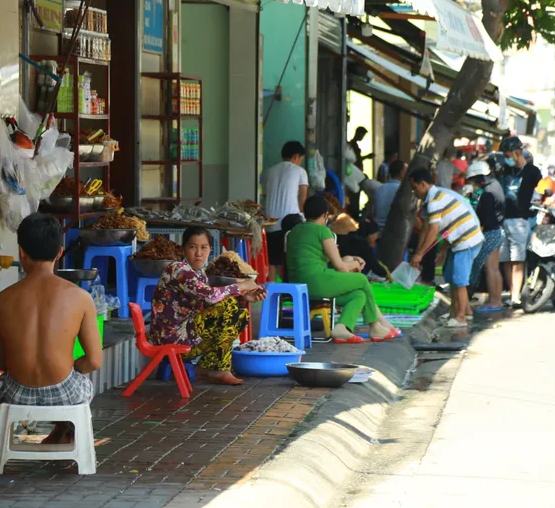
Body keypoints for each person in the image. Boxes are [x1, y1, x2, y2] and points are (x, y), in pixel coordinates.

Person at [0, 214, 102, 443]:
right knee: (80, 383)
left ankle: (60, 432)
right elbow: (94, 361)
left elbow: (2, 363)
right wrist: (70, 367)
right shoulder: (80, 298)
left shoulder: (1, 300)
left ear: (21, 252)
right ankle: (68, 431)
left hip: (16, 395)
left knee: (4, 381)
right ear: (60, 252)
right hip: (64, 394)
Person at [149, 228, 265, 386]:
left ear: (210, 249)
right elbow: (210, 295)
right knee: (230, 307)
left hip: (186, 335)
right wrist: (241, 284)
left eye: (204, 247)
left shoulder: (200, 274)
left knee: (238, 311)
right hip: (171, 338)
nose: (198, 253)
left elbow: (209, 302)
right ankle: (217, 369)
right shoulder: (178, 269)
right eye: (192, 247)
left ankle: (210, 367)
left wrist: (244, 298)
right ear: (183, 248)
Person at [286, 196, 399, 343]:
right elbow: (339, 266)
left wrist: (350, 261)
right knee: (361, 280)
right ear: (325, 215)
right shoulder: (323, 231)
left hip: (297, 285)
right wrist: (355, 266)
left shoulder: (294, 231)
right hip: (317, 282)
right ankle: (376, 325)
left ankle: (342, 327)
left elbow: (328, 262)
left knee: (358, 295)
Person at [409, 168, 484, 327]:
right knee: (450, 275)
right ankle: (455, 312)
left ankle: (461, 317)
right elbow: (426, 229)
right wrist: (424, 252)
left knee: (459, 280)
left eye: (414, 187)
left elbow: (433, 230)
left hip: (466, 239)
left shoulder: (435, 199)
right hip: (457, 240)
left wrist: (420, 254)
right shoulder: (432, 198)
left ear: (422, 184)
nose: (414, 192)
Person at [498, 136, 542, 306]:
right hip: (503, 220)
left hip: (520, 220)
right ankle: (511, 292)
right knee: (505, 259)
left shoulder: (532, 171)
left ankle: (515, 295)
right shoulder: (505, 171)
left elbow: (542, 189)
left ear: (517, 152)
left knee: (517, 259)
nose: (507, 158)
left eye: (508, 155)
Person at [263, 141, 309, 281]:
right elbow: (303, 203)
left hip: (270, 223)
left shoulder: (269, 172)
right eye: (300, 158)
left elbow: (265, 196)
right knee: (291, 261)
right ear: (296, 156)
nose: (300, 162)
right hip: (290, 223)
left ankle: (269, 295)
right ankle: (289, 292)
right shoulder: (300, 171)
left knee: (272, 261)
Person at [466, 160, 506, 312]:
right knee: (494, 268)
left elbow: (486, 219)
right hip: (497, 231)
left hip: (491, 232)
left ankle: (494, 302)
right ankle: (497, 300)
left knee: (490, 268)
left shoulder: (488, 193)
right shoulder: (495, 185)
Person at [372, 160, 406, 229]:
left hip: (376, 231)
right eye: (407, 171)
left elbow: (373, 213)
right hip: (393, 232)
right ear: (401, 173)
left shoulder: (379, 189)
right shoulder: (402, 191)